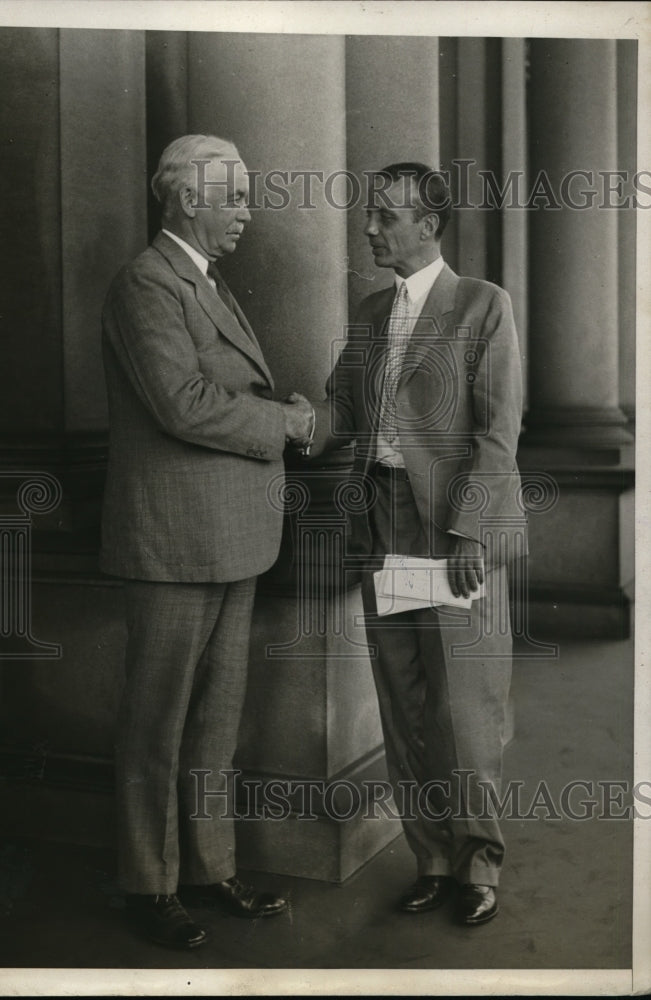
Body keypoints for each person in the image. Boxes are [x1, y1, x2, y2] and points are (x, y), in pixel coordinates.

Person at [100, 134, 313, 949]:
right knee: (156, 723)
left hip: (230, 534)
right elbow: (181, 404)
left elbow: (219, 392)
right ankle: (146, 886)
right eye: (236, 198)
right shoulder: (146, 283)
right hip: (173, 541)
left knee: (214, 722)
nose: (247, 213)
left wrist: (272, 414)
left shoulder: (199, 281)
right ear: (189, 198)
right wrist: (288, 422)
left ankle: (208, 868)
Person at [301, 161, 525, 926]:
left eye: (384, 215)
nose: (369, 227)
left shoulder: (481, 306)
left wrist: (467, 531)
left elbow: (497, 436)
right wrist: (286, 421)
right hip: (383, 526)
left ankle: (479, 864)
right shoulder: (368, 314)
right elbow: (337, 410)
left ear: (428, 226)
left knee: (467, 712)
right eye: (369, 213)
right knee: (406, 709)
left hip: (452, 532)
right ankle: (429, 858)